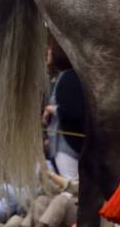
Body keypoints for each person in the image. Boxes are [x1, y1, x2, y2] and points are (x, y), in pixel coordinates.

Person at [42, 42, 83, 181]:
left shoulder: (69, 77)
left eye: (49, 53)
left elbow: (72, 110)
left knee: (71, 184)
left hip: (67, 144)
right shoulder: (65, 76)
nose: (47, 56)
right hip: (61, 143)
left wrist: (50, 109)